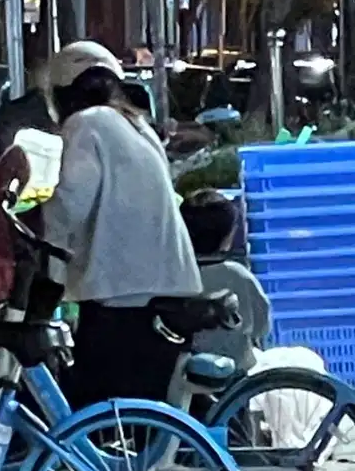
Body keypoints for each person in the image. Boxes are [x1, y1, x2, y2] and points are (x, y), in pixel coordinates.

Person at [41, 40, 204, 411]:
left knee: (98, 407)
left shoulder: (86, 124)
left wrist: (38, 226)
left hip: (124, 290)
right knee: (147, 406)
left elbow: (71, 202)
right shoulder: (137, 123)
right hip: (167, 281)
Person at [180, 189, 271, 373]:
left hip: (187, 373)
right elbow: (262, 326)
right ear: (228, 237)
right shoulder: (238, 275)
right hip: (238, 374)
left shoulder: (175, 276)